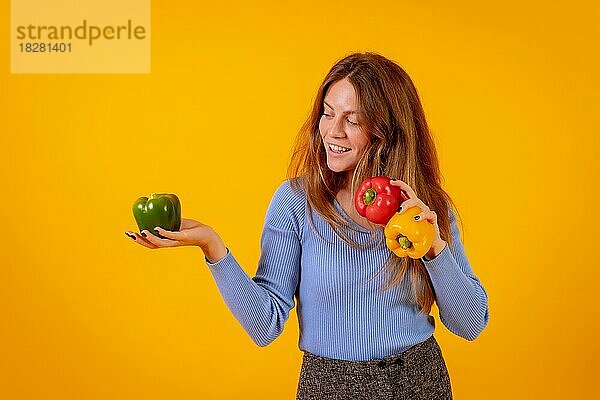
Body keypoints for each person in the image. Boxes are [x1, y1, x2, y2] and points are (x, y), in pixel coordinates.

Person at [125, 52, 490, 400]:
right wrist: (211, 244)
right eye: (328, 114)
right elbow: (264, 325)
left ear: (386, 131)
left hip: (418, 381)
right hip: (329, 385)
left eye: (353, 119)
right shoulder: (296, 202)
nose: (333, 131)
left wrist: (434, 247)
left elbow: (470, 324)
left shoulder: (424, 207)